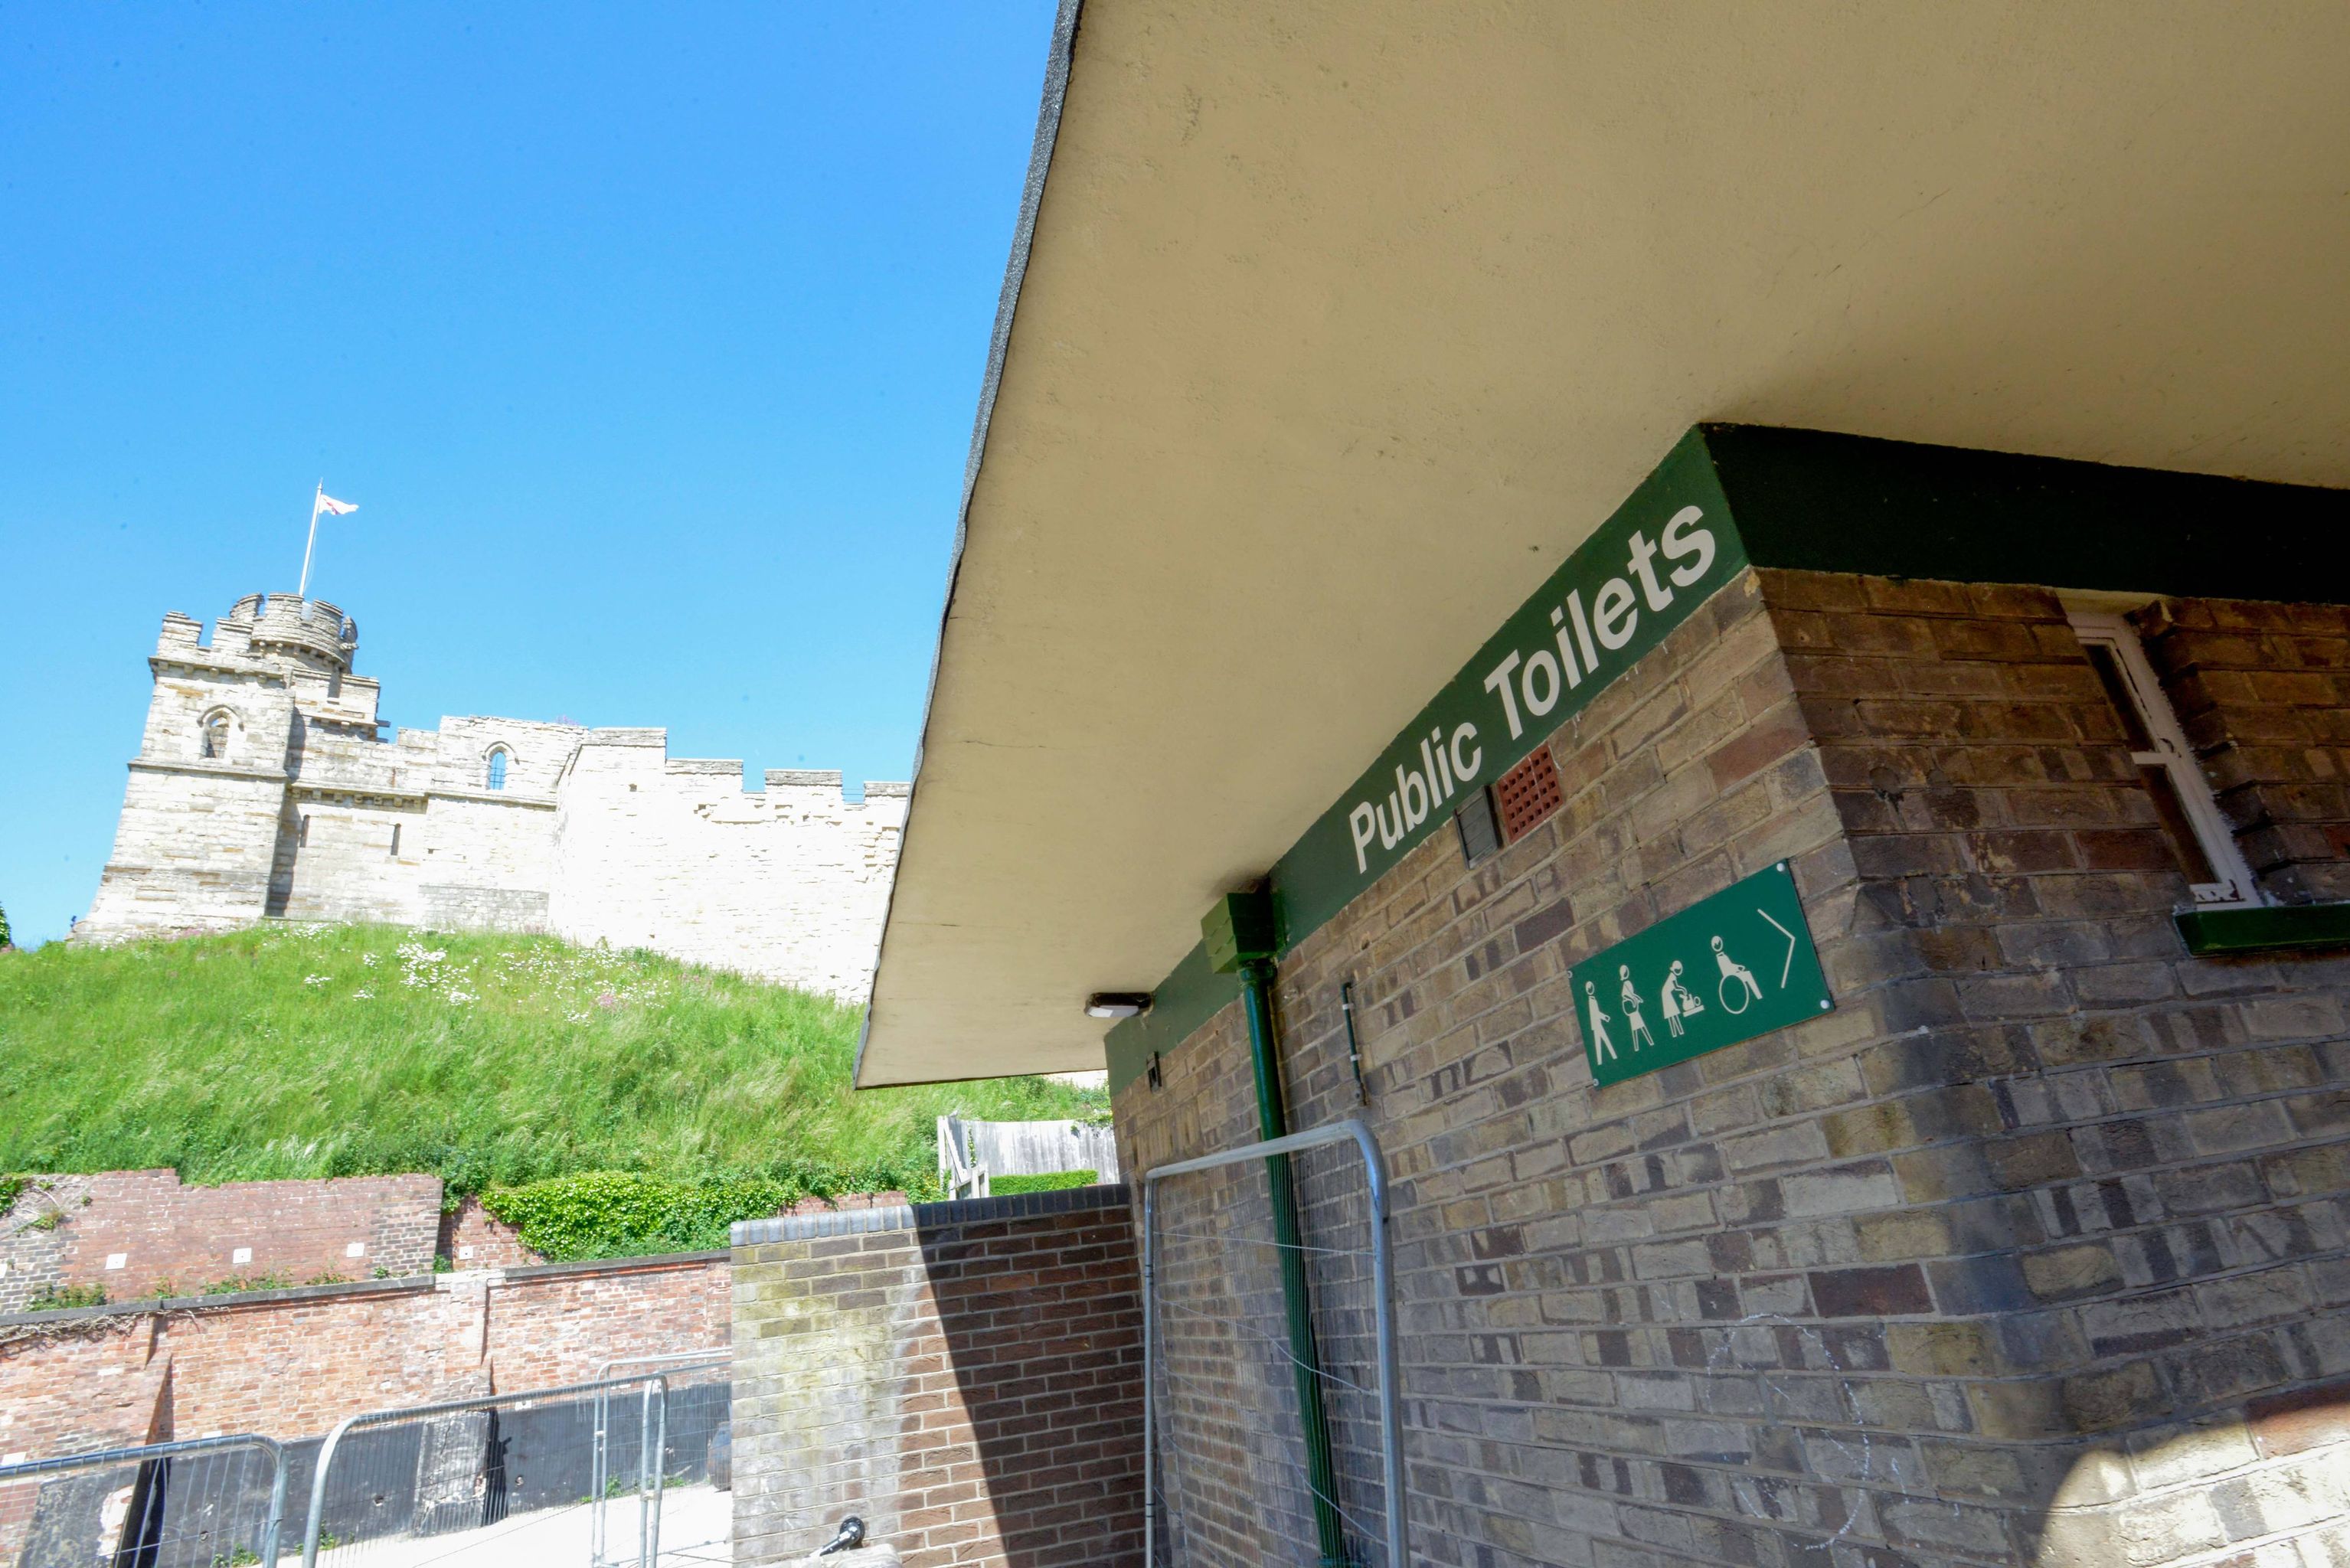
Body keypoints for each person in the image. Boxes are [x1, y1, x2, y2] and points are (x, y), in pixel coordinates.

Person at [1713, 935, 1764, 1011]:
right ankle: (1759, 996)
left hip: (1733, 973)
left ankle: (1759, 996)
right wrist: (1738, 967)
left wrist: (1738, 967)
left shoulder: (1723, 956)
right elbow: (1727, 967)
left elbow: (1730, 965)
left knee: (1747, 973)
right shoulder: (1720, 958)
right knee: (1748, 974)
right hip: (1731, 975)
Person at [1620, 965, 1655, 1051]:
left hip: (1633, 1008)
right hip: (1632, 1009)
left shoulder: (1627, 983)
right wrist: (1633, 1000)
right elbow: (1625, 995)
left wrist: (1638, 999)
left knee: (1637, 1028)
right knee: (1639, 1027)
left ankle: (1639, 1046)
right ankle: (1646, 1043)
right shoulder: (1627, 983)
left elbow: (1632, 994)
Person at [1583, 979, 1616, 1062]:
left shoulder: (1593, 1000)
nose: (1591, 989)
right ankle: (1611, 1057)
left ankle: (1603, 1060)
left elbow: (1596, 1012)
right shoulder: (1591, 1001)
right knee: (1603, 1041)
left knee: (1600, 1043)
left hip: (1597, 1024)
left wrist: (1604, 1017)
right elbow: (1595, 1013)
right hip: (1597, 1024)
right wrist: (1604, 1017)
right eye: (1590, 988)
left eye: (1591, 987)